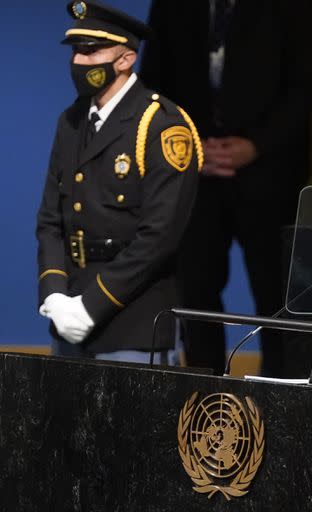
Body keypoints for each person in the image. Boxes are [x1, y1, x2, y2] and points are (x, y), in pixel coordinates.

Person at [140, 0, 312, 376]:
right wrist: (187, 145)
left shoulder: (293, 7)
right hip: (194, 173)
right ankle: (205, 406)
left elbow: (307, 85)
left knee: (276, 298)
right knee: (195, 292)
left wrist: (255, 145)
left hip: (270, 172)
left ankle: (280, 400)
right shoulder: (171, 7)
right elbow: (153, 84)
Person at [36, 1, 201, 364]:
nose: (79, 62)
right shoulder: (72, 122)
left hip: (134, 321)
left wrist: (91, 306)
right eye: (76, 52)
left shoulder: (161, 125)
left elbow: (159, 237)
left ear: (125, 59)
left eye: (91, 51)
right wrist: (54, 295)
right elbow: (51, 221)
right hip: (68, 319)